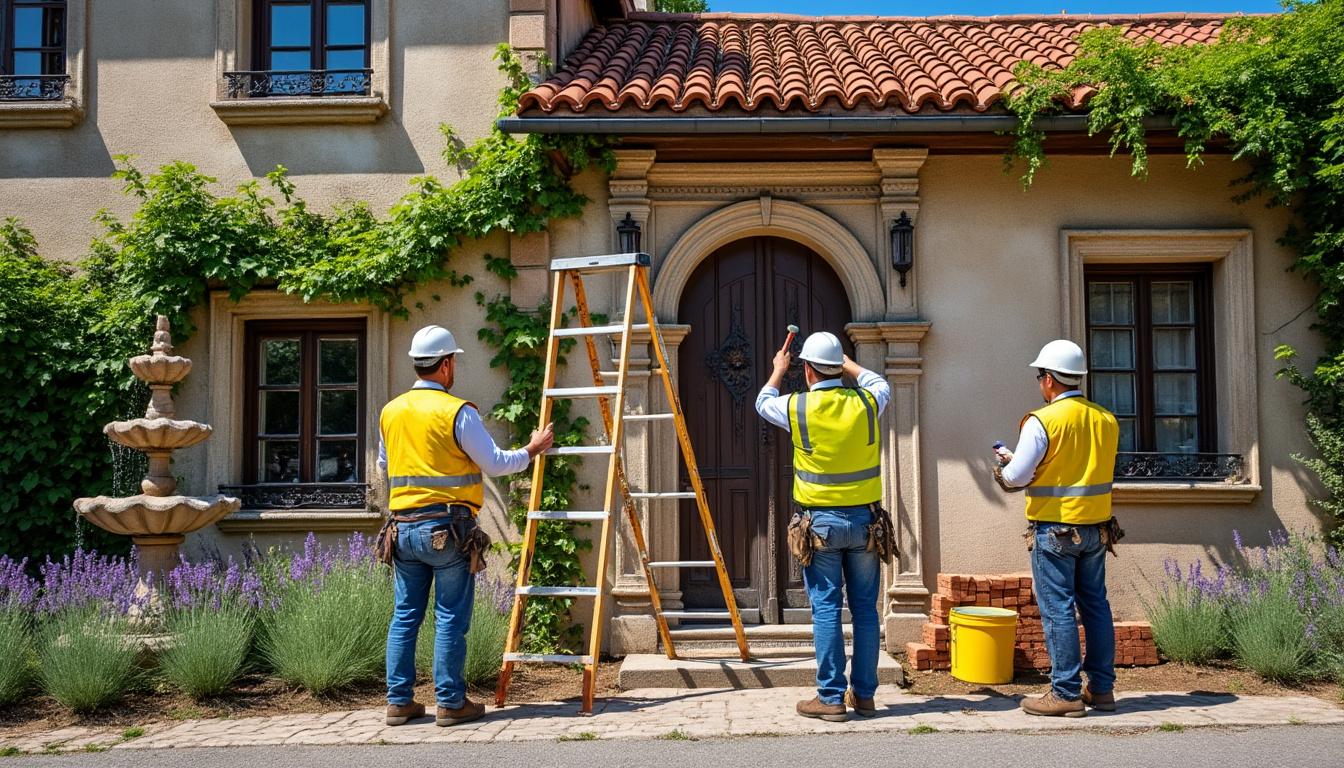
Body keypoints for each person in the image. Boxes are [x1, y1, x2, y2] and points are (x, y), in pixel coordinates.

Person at [379, 325, 554, 727]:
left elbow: (385, 467)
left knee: (405, 616)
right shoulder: (457, 411)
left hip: (402, 529)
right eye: (453, 360)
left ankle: (399, 702)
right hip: (447, 529)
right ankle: (450, 703)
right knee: (450, 617)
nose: (454, 366)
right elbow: (495, 463)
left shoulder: (391, 411)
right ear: (444, 365)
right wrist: (531, 449)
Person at [755, 331, 890, 722]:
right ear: (837, 367)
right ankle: (863, 695)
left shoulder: (797, 407)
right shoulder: (867, 401)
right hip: (866, 523)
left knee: (827, 609)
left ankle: (831, 699)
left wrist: (779, 370)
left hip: (821, 526)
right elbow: (877, 381)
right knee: (866, 610)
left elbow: (763, 402)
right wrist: (846, 362)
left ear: (807, 370)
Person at [994, 339, 1120, 718]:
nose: (1039, 383)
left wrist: (1005, 465)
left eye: (1039, 376)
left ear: (1049, 379)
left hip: (1055, 531)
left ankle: (1065, 693)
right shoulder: (1105, 418)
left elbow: (1017, 477)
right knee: (1096, 606)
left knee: (1058, 610)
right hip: (1097, 528)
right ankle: (1101, 689)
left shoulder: (1042, 421)